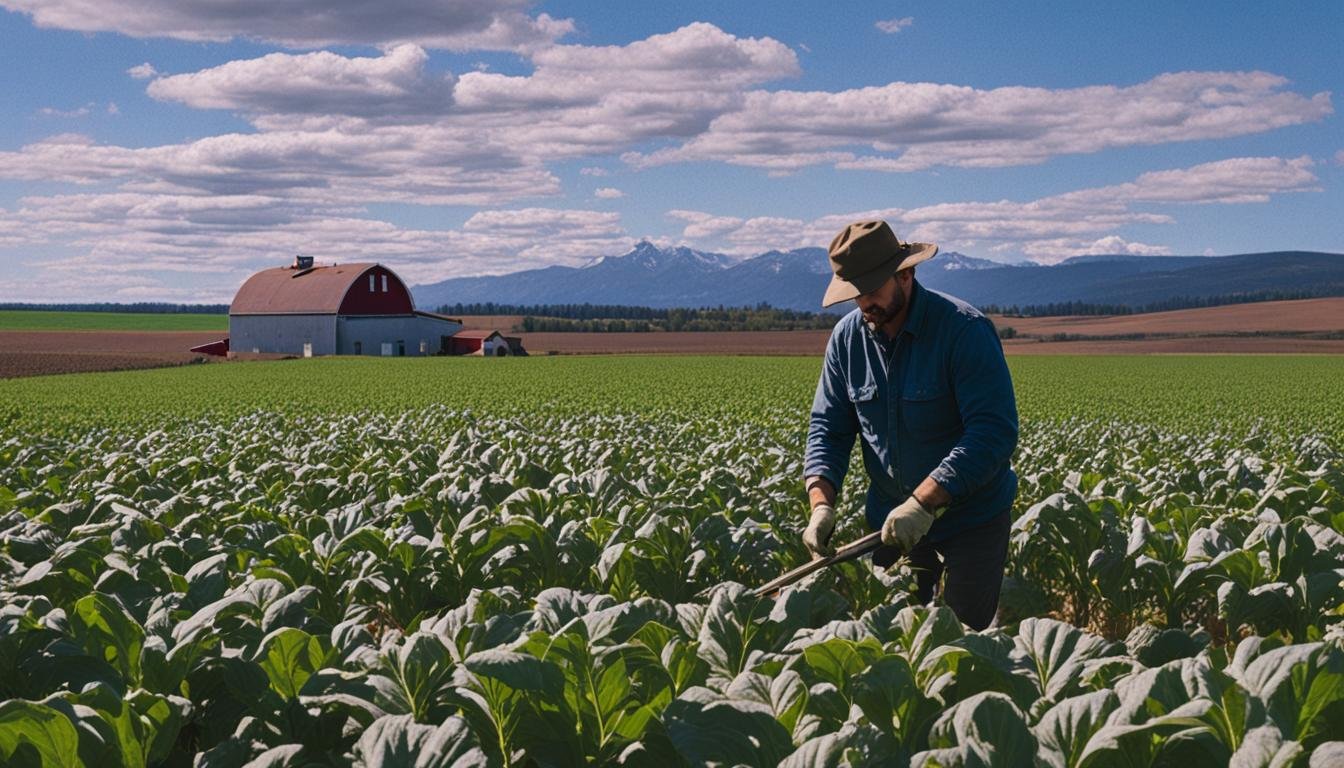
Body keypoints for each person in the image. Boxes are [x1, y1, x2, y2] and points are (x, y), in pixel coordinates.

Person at [802, 220, 1018, 630]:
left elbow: (993, 431)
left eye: (872, 289)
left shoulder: (963, 330)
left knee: (959, 644)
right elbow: (828, 428)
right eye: (855, 294)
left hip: (971, 519)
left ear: (906, 274)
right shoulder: (847, 339)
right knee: (888, 644)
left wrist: (924, 502)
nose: (864, 303)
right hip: (890, 523)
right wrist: (821, 503)